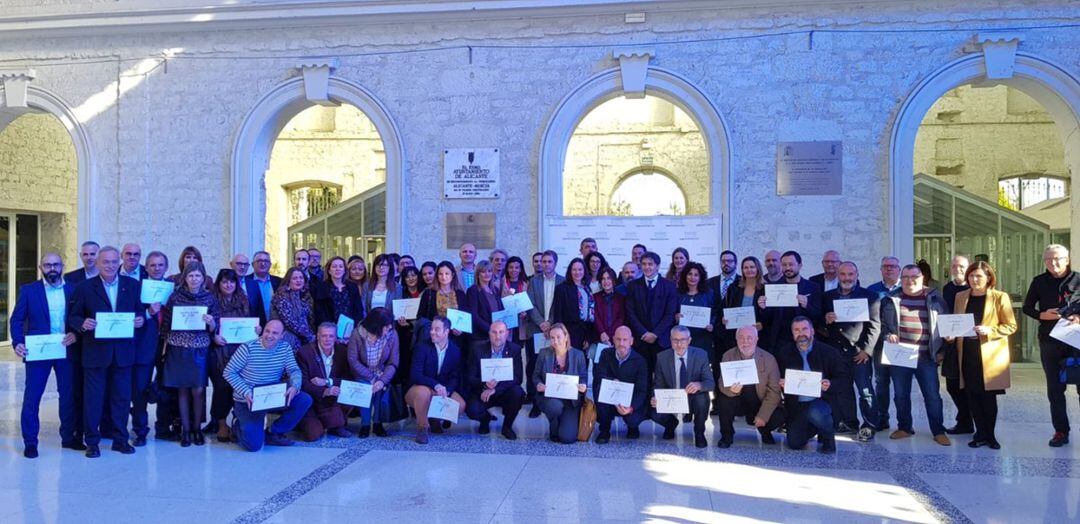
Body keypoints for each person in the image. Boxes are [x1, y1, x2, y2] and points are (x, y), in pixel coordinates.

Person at [67, 245, 145, 457]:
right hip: (95, 353)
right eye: (105, 262)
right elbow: (73, 317)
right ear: (97, 263)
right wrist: (83, 323)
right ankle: (92, 442)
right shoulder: (84, 287)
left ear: (118, 262)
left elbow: (140, 311)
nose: (109, 266)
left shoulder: (132, 285)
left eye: (113, 262)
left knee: (121, 399)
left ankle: (121, 440)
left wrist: (140, 319)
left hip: (123, 354)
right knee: (93, 400)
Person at [11, 253, 80, 458]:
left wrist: (76, 334)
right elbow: (16, 319)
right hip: (38, 350)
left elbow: (80, 316)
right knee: (32, 397)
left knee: (68, 396)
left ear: (62, 266)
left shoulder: (73, 290)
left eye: (56, 265)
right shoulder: (29, 291)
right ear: (41, 267)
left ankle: (68, 437)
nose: (52, 268)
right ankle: (30, 442)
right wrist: (17, 342)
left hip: (65, 349)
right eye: (47, 265)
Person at [880, 264, 951, 446]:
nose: (910, 280)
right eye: (906, 277)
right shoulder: (890, 299)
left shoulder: (935, 298)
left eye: (914, 277)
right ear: (900, 279)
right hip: (900, 356)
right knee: (901, 394)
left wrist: (942, 350)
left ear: (922, 278)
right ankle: (904, 427)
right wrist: (888, 335)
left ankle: (938, 430)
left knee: (932, 395)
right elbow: (882, 325)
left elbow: (946, 325)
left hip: (926, 356)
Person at [951, 261, 1015, 450]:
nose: (974, 279)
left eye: (979, 276)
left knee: (988, 397)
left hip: (990, 355)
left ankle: (990, 435)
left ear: (989, 278)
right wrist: (951, 334)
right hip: (967, 353)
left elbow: (1011, 325)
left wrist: (990, 330)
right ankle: (979, 433)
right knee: (972, 395)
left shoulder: (999, 297)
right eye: (971, 276)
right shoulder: (960, 296)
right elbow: (957, 322)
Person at [1022, 244, 1080, 447]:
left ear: (1067, 259)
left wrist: (1078, 317)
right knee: (1055, 389)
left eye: (1057, 258)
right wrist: (1041, 315)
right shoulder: (1039, 281)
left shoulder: (1078, 279)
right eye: (1048, 259)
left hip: (1076, 341)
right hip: (1050, 341)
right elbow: (1027, 307)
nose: (1053, 263)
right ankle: (1061, 431)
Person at [223, 320, 313, 451]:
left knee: (304, 400)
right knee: (253, 446)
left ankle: (273, 432)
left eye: (275, 333)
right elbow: (229, 372)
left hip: (272, 396)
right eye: (267, 331)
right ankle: (236, 422)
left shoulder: (285, 347)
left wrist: (295, 386)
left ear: (282, 335)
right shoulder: (247, 348)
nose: (269, 335)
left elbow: (294, 370)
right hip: (248, 399)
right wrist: (246, 392)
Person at [161, 261, 219, 447]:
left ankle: (197, 428)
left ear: (203, 278)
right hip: (177, 348)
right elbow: (166, 324)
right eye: (191, 275)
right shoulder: (175, 297)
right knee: (182, 389)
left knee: (198, 389)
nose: (194, 279)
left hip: (200, 349)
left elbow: (214, 328)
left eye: (198, 276)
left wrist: (211, 322)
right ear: (185, 277)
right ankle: (186, 430)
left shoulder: (210, 298)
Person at [822, 261, 880, 441]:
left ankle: (870, 425)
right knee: (843, 390)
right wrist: (825, 319)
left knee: (865, 391)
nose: (847, 278)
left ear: (856, 275)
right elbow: (818, 323)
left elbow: (875, 326)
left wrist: (867, 350)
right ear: (838, 276)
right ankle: (850, 423)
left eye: (850, 274)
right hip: (836, 353)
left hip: (858, 353)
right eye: (843, 274)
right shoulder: (827, 296)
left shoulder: (870, 296)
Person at [776, 317, 844, 453]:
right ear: (792, 333)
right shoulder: (784, 353)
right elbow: (776, 378)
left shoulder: (829, 352)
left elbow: (843, 378)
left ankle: (828, 436)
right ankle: (815, 428)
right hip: (797, 406)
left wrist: (830, 384)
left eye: (804, 329)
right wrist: (781, 383)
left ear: (812, 331)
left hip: (821, 402)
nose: (801, 333)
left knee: (816, 412)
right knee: (795, 443)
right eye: (796, 330)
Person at [715, 256, 767, 414]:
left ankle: (753, 409)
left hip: (757, 338)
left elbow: (774, 314)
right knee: (736, 372)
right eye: (746, 267)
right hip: (735, 338)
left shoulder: (765, 288)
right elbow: (724, 309)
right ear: (742, 270)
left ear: (758, 268)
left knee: (754, 375)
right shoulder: (734, 288)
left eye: (752, 267)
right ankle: (736, 406)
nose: (749, 270)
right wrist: (724, 319)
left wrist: (762, 322)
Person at [716, 326, 783, 448]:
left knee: (779, 415)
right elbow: (721, 383)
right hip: (738, 399)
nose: (745, 342)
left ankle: (765, 431)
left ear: (757, 339)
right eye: (741, 338)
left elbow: (775, 391)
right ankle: (726, 435)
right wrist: (730, 390)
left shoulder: (769, 359)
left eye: (749, 338)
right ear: (736, 339)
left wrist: (763, 415)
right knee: (723, 399)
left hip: (760, 401)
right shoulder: (728, 355)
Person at [650, 325, 714, 448]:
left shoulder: (701, 355)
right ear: (670, 340)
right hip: (672, 398)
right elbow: (658, 384)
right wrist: (655, 397)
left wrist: (699, 385)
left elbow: (710, 383)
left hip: (692, 397)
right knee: (653, 410)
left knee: (703, 399)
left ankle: (699, 433)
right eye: (675, 340)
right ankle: (670, 425)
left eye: (683, 340)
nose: (679, 344)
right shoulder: (662, 357)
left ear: (689, 340)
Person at [207, 268, 252, 443]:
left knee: (237, 386)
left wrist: (255, 330)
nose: (228, 285)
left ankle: (236, 420)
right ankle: (220, 422)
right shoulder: (211, 300)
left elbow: (249, 323)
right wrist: (213, 336)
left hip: (239, 351)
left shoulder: (243, 300)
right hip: (217, 351)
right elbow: (204, 326)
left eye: (232, 281)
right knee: (221, 386)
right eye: (225, 281)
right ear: (219, 283)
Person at [407, 316, 466, 444]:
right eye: (432, 329)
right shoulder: (422, 347)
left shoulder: (455, 351)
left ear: (446, 332)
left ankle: (434, 419)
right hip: (419, 388)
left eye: (437, 329)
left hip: (440, 389)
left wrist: (448, 390)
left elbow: (454, 377)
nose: (432, 332)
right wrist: (436, 385)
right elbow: (415, 375)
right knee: (424, 393)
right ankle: (422, 428)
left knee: (460, 405)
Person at [466, 320, 525, 440]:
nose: (498, 336)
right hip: (482, 391)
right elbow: (470, 377)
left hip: (505, 391)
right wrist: (484, 384)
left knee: (518, 393)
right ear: (489, 333)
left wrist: (495, 390)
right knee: (472, 410)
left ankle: (507, 427)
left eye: (501, 332)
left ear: (507, 333)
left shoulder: (515, 349)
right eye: (494, 332)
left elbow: (518, 378)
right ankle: (485, 419)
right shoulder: (477, 349)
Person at [626, 251, 679, 380]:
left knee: (664, 378)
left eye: (650, 264)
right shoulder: (633, 286)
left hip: (661, 341)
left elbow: (670, 314)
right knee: (641, 379)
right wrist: (644, 333)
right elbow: (630, 313)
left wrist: (655, 334)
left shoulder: (669, 286)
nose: (647, 267)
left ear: (658, 266)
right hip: (640, 341)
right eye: (644, 264)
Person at [295, 322, 353, 441]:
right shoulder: (304, 353)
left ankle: (335, 424)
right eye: (324, 336)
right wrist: (325, 391)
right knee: (313, 435)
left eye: (331, 336)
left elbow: (348, 379)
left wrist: (329, 382)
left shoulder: (342, 351)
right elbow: (303, 383)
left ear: (336, 338)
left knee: (351, 396)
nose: (327, 339)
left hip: (331, 400)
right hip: (311, 400)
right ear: (317, 336)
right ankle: (302, 421)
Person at [347, 308, 399, 438]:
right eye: (386, 326)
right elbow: (353, 360)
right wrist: (371, 378)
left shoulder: (392, 335)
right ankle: (365, 425)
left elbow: (393, 362)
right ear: (376, 326)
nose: (389, 328)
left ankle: (377, 423)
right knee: (365, 391)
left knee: (379, 392)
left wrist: (381, 380)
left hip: (382, 372)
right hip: (363, 373)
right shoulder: (357, 334)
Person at [534, 323, 588, 444]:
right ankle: (554, 424)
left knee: (567, 438)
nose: (555, 341)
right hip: (550, 397)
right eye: (552, 338)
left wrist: (583, 385)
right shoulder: (544, 353)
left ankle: (565, 421)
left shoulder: (578, 355)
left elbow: (583, 376)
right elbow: (536, 376)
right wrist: (538, 385)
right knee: (555, 407)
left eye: (558, 337)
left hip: (571, 400)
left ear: (566, 336)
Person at [525, 250, 565, 417]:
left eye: (549, 262)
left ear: (555, 263)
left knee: (554, 365)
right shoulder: (533, 281)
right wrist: (541, 322)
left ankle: (555, 400)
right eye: (544, 261)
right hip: (536, 330)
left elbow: (562, 306)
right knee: (535, 366)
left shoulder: (563, 281)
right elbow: (529, 304)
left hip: (555, 331)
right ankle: (536, 402)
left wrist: (551, 324)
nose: (546, 264)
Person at [758, 251, 823, 351]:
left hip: (804, 341)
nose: (787, 268)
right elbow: (767, 320)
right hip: (779, 342)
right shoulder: (773, 288)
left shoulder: (813, 287)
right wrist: (763, 308)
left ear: (800, 265)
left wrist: (807, 306)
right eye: (784, 265)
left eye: (791, 264)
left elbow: (819, 316)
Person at [593, 326, 648, 444]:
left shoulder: (640, 361)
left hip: (629, 400)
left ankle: (632, 427)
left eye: (625, 340)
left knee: (633, 420)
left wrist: (631, 407)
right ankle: (604, 430)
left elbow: (642, 390)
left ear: (631, 341)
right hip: (610, 397)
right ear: (613, 340)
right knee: (599, 388)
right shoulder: (605, 353)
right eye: (618, 339)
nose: (621, 343)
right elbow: (598, 375)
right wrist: (612, 381)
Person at [867, 255, 901, 431]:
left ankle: (904, 422)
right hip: (880, 344)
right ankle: (882, 417)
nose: (889, 269)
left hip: (901, 345)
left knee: (901, 384)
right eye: (886, 266)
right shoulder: (872, 290)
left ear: (899, 269)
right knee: (881, 383)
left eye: (893, 266)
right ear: (881, 269)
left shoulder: (907, 289)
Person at [941, 255, 973, 436]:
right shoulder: (947, 288)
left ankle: (967, 422)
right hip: (951, 343)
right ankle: (965, 419)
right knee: (952, 384)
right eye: (954, 266)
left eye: (961, 266)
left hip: (970, 343)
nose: (957, 269)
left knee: (968, 385)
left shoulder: (974, 288)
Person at [551, 257, 594, 353]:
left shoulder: (587, 289)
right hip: (569, 331)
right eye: (574, 269)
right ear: (570, 271)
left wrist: (589, 337)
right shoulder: (562, 288)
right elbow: (558, 314)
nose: (577, 272)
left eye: (580, 269)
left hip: (585, 330)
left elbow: (590, 314)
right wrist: (561, 335)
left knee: (583, 362)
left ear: (584, 271)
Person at [465, 260, 504, 357]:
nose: (487, 274)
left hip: (496, 336)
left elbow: (501, 311)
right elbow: (474, 315)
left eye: (489, 271)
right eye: (483, 272)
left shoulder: (495, 290)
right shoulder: (473, 290)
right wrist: (490, 329)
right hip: (481, 336)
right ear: (478, 274)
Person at [313, 256, 365, 329]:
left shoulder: (352, 287)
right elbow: (320, 312)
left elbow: (358, 310)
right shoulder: (322, 287)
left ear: (344, 270)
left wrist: (353, 327)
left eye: (341, 267)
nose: (337, 269)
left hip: (350, 328)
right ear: (329, 270)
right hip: (329, 330)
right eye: (334, 267)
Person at [271, 267, 315, 350]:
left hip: (304, 339)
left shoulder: (305, 296)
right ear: (288, 281)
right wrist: (309, 335)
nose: (298, 280)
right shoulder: (281, 295)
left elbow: (308, 319)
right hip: (288, 339)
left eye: (301, 278)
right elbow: (289, 322)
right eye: (295, 278)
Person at [676, 261, 715, 354]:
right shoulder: (677, 293)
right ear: (685, 276)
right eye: (689, 274)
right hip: (682, 338)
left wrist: (712, 325)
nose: (692, 277)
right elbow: (671, 312)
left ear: (700, 277)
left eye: (696, 275)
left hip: (703, 338)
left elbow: (715, 313)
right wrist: (675, 317)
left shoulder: (709, 294)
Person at [592, 267, 626, 348]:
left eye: (608, 278)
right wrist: (602, 332)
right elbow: (595, 316)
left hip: (617, 336)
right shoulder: (594, 297)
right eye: (603, 279)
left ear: (613, 280)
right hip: (598, 337)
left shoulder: (621, 298)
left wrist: (610, 334)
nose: (606, 281)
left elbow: (621, 318)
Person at [501, 256, 530, 346]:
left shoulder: (527, 284)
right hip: (506, 322)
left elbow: (530, 303)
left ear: (521, 269)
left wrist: (526, 313)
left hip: (521, 324)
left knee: (518, 351)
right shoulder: (501, 283)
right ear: (507, 268)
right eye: (511, 267)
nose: (514, 270)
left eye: (517, 267)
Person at [248, 251, 281, 325]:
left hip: (274, 327)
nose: (263, 264)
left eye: (266, 261)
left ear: (270, 264)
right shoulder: (246, 281)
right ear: (253, 264)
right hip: (252, 326)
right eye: (259, 261)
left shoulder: (279, 282)